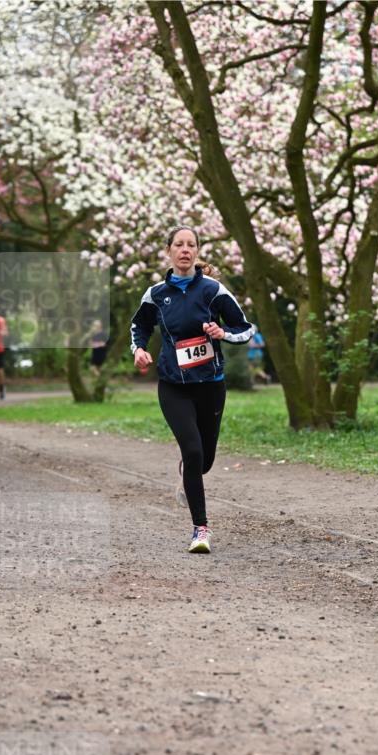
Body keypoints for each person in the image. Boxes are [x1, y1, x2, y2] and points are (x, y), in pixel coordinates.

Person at [130, 225, 253, 554]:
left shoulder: (213, 290)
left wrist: (222, 333)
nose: (185, 250)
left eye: (191, 245)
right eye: (179, 245)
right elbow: (139, 326)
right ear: (168, 251)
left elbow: (245, 329)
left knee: (205, 460)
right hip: (173, 385)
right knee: (193, 450)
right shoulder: (156, 294)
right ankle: (200, 529)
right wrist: (139, 349)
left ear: (197, 252)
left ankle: (188, 472)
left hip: (210, 386)